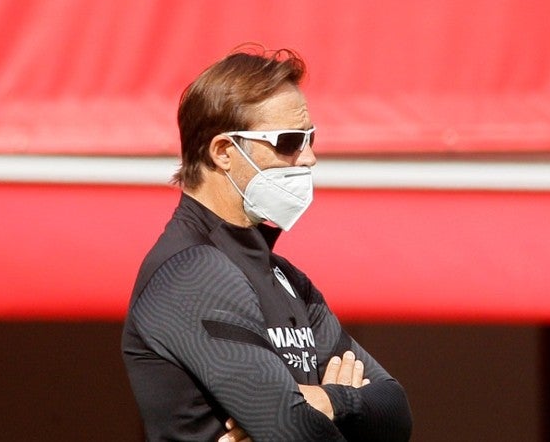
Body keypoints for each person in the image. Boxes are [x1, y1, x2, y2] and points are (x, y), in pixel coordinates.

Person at [121, 46, 412, 441]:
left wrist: (331, 402)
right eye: (289, 142)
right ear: (224, 151)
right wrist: (338, 409)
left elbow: (396, 414)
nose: (308, 158)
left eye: (311, 138)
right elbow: (292, 429)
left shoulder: (285, 276)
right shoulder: (190, 271)